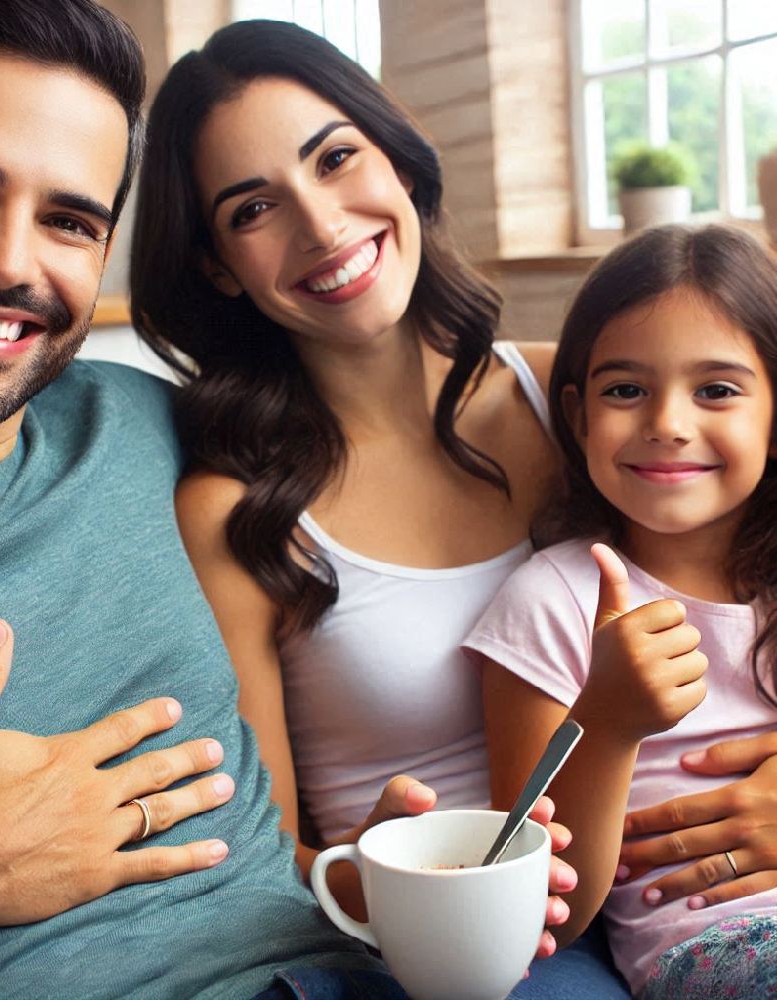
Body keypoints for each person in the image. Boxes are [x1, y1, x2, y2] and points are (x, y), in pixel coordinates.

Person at [0, 2, 422, 997]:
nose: (6, 262)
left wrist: (366, 874)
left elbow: (430, 413)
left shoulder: (156, 429)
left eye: (69, 221)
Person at [129, 18, 626, 997]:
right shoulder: (236, 509)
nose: (320, 226)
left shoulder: (569, 397)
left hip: (640, 901)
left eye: (336, 157)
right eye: (253, 208)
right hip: (424, 949)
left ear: (395, 154)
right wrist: (352, 865)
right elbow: (262, 841)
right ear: (217, 267)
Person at [466, 224, 777, 998]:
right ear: (577, 416)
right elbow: (544, 907)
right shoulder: (553, 600)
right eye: (626, 389)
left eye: (717, 389)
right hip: (718, 948)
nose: (668, 421)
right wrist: (606, 724)